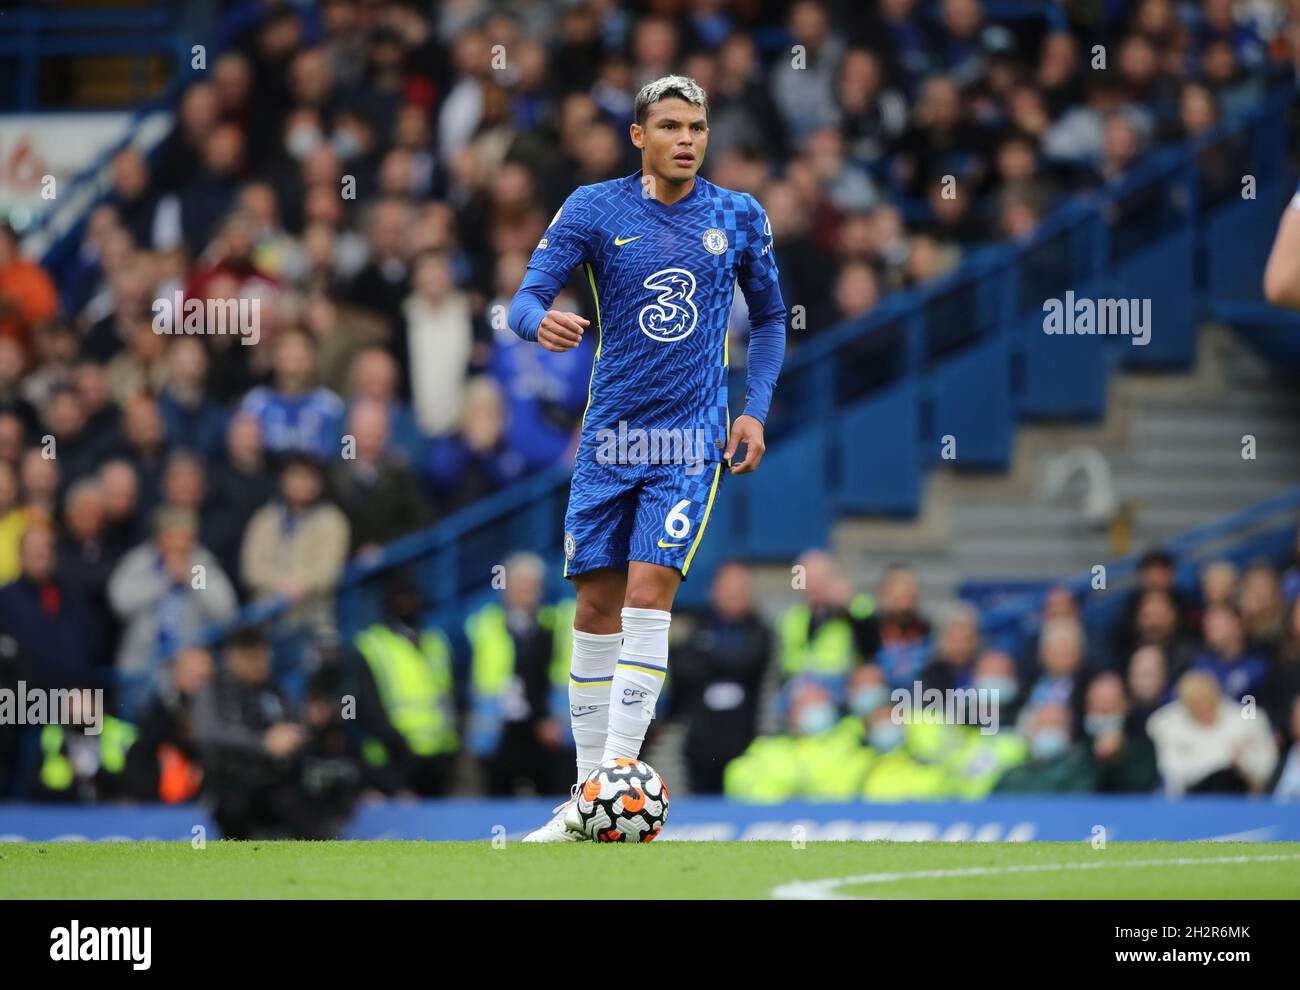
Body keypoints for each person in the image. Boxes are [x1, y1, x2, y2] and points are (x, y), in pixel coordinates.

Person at [506, 76, 785, 841]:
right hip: (609, 441)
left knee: (648, 593)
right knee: (594, 609)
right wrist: (542, 325)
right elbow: (524, 298)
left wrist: (754, 410)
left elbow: (769, 320)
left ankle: (611, 786)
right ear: (640, 136)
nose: (688, 139)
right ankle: (585, 797)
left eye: (697, 126)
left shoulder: (738, 215)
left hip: (689, 441)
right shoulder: (594, 208)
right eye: (670, 126)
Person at [193, 627, 310, 839]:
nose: (259, 664)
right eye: (251, 658)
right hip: (230, 784)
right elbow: (207, 731)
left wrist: (295, 736)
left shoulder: (272, 689)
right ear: (232, 658)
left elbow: (294, 723)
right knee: (235, 807)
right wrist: (262, 743)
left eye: (262, 657)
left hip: (273, 782)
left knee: (301, 803)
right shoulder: (214, 690)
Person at [671, 561, 772, 793]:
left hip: (747, 745)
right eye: (729, 588)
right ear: (714, 591)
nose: (736, 595)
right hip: (700, 746)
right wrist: (726, 660)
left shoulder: (762, 631)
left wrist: (710, 654)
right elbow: (684, 668)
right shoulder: (697, 628)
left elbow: (748, 662)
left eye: (741, 589)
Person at [1146, 671, 1277, 795]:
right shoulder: (1166, 723)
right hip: (1191, 800)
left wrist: (1245, 761)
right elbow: (1172, 770)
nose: (1202, 708)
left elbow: (1266, 765)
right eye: (1195, 704)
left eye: (1206, 700)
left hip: (1244, 798)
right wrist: (1226, 757)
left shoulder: (1248, 719)